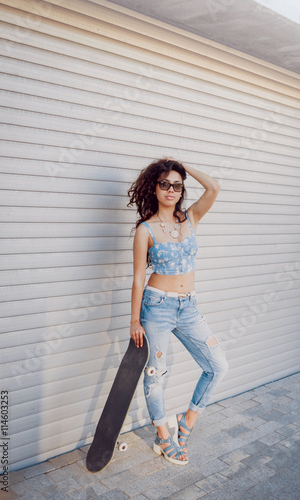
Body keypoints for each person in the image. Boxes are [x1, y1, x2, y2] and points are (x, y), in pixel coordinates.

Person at [127, 158, 228, 465]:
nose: (171, 190)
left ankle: (187, 420)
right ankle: (162, 435)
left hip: (189, 307)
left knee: (218, 366)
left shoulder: (190, 218)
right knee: (156, 375)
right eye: (164, 183)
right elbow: (137, 278)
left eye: (177, 184)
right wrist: (134, 320)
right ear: (153, 187)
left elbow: (213, 187)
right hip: (156, 307)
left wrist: (184, 166)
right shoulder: (145, 230)